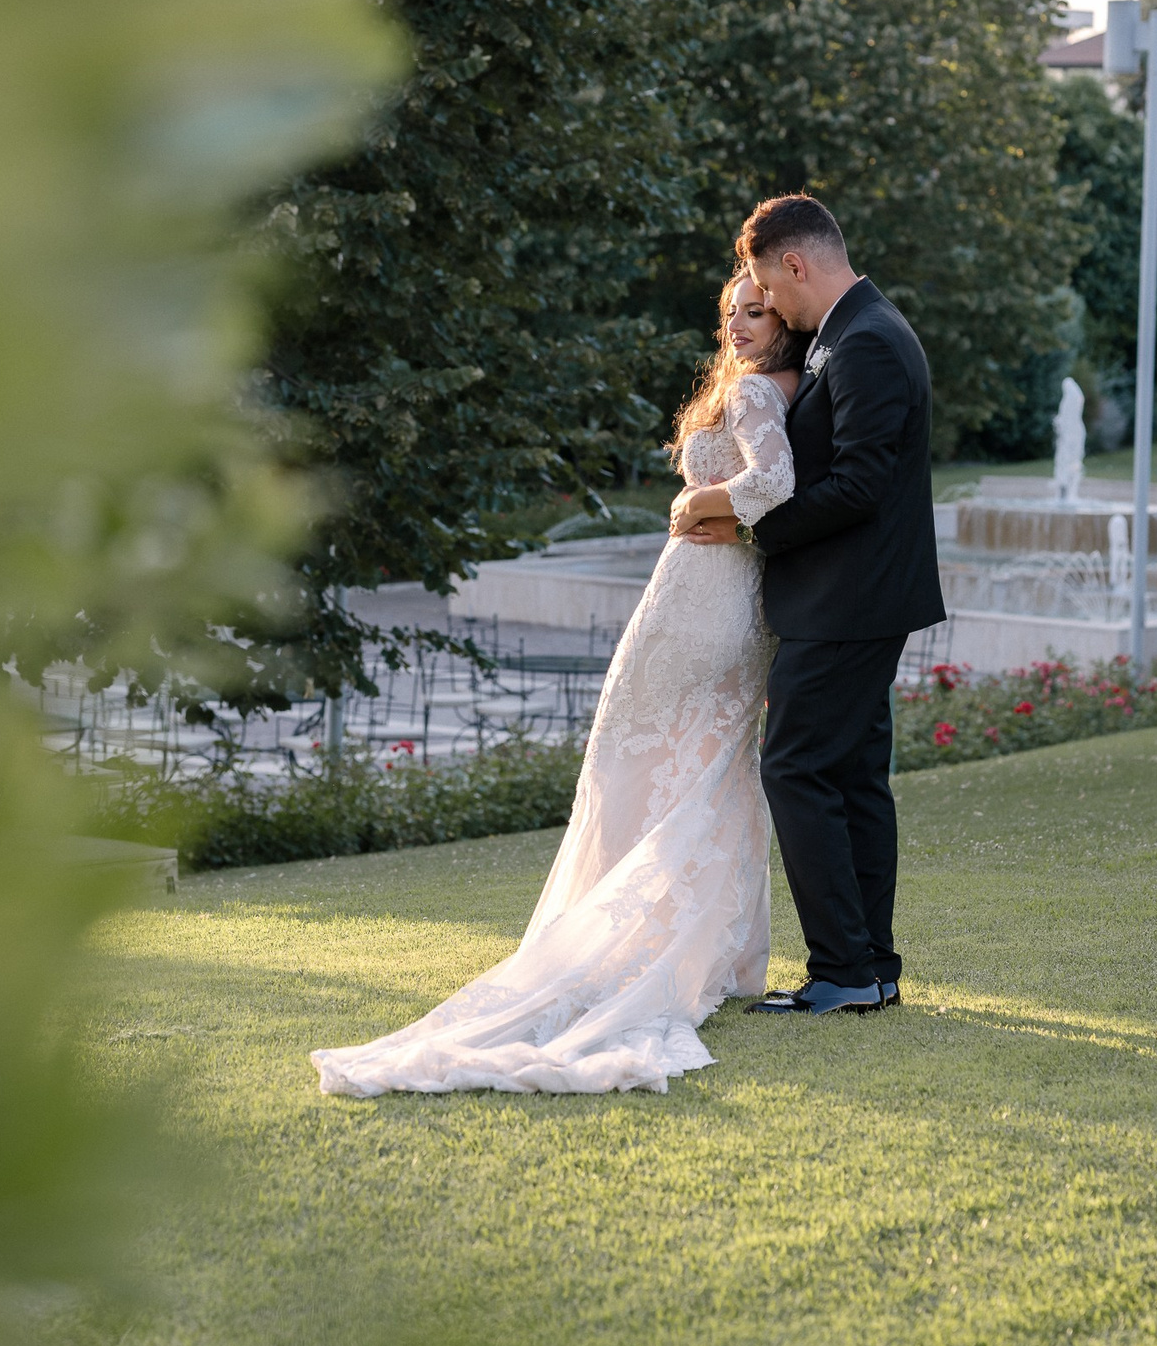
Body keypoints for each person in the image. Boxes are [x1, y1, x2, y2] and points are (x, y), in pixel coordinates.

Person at [312, 275, 804, 1094]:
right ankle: (718, 955)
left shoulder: (756, 393)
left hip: (702, 605)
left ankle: (650, 946)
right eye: (730, 315)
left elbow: (773, 485)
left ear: (783, 317)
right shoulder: (772, 386)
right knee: (708, 770)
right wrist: (715, 507)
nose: (740, 328)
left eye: (756, 314)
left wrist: (701, 502)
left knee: (638, 763)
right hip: (716, 601)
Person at [702, 194, 943, 1017]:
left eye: (772, 287)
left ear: (796, 265)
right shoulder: (853, 331)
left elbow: (861, 484)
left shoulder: (866, 341)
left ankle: (842, 969)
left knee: (796, 766)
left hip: (848, 598)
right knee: (850, 776)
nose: (774, 307)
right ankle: (870, 967)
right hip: (861, 595)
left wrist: (750, 526)